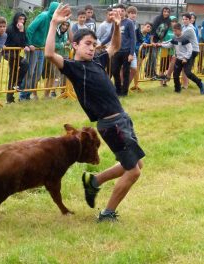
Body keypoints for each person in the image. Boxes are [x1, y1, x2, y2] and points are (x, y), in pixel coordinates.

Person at [45, 5, 145, 222]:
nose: (92, 48)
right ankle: (107, 214)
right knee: (133, 172)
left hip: (122, 119)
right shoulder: (72, 67)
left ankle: (95, 181)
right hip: (112, 125)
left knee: (138, 164)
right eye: (87, 44)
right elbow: (49, 53)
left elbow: (115, 47)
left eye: (93, 44)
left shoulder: (98, 62)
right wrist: (54, 24)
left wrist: (117, 27)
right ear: (75, 46)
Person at [23, 1, 60, 101]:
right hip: (33, 48)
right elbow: (30, 29)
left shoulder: (53, 20)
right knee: (30, 72)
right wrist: (29, 44)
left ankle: (28, 94)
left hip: (41, 49)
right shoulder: (43, 16)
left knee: (38, 73)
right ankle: (23, 95)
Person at [157, 23, 204, 95]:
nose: (174, 32)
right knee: (175, 75)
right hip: (178, 58)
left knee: (188, 73)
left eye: (176, 31)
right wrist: (161, 45)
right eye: (173, 31)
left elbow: (190, 49)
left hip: (187, 59)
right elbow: (169, 45)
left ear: (180, 30)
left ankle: (200, 84)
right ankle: (177, 89)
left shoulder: (185, 39)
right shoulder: (174, 37)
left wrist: (185, 58)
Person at [4, 12, 29, 104]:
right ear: (16, 19)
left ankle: (15, 87)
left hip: (16, 53)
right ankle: (11, 94)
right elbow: (18, 42)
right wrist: (21, 31)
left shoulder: (22, 29)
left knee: (20, 68)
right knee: (15, 71)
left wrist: (27, 45)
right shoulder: (11, 28)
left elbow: (23, 41)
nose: (22, 21)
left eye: (23, 19)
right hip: (8, 53)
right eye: (20, 19)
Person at [111, 4, 135, 97]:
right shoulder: (115, 22)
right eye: (118, 11)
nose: (120, 12)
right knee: (115, 71)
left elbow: (133, 38)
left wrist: (131, 53)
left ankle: (124, 92)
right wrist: (101, 44)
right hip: (117, 51)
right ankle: (117, 90)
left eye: (122, 11)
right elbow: (111, 35)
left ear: (125, 12)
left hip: (126, 51)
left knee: (125, 72)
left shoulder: (129, 22)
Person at [43, 20, 71, 98]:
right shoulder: (55, 31)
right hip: (54, 56)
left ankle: (60, 91)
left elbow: (69, 43)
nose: (65, 27)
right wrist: (63, 44)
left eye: (67, 25)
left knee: (60, 76)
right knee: (53, 76)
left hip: (64, 56)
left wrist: (67, 46)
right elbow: (52, 44)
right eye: (63, 25)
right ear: (60, 24)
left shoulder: (66, 33)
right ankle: (49, 93)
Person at [149, 7, 171, 79]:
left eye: (168, 12)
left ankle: (151, 73)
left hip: (159, 40)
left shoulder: (169, 20)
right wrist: (152, 41)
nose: (166, 13)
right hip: (154, 39)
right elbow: (153, 29)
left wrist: (161, 41)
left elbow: (165, 31)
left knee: (154, 57)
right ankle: (152, 73)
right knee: (153, 57)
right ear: (162, 12)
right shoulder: (158, 18)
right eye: (165, 11)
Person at [180, 13, 200, 88]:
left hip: (193, 51)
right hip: (188, 50)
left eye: (186, 19)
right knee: (184, 68)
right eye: (183, 19)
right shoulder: (184, 27)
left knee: (187, 71)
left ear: (190, 20)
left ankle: (199, 83)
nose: (184, 21)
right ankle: (185, 84)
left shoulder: (190, 29)